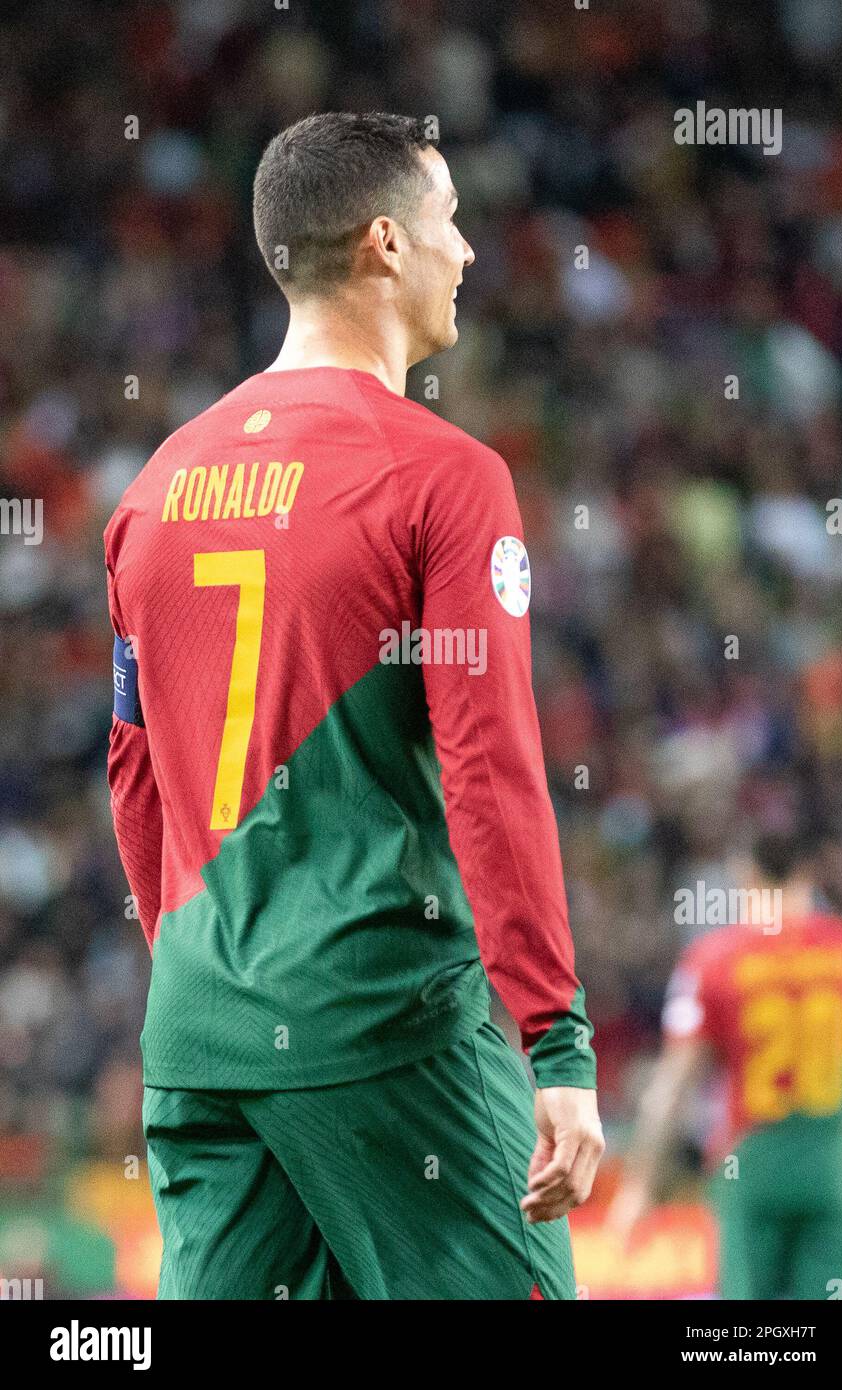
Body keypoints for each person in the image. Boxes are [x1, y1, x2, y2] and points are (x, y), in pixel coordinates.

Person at [105, 112, 603, 1300]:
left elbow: (134, 775)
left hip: (201, 1031)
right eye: (448, 221)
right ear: (385, 243)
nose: (468, 250)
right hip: (383, 1025)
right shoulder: (441, 475)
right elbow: (489, 773)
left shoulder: (153, 488)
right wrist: (556, 1040)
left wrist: (207, 977)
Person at [609, 833, 842, 1299]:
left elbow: (675, 1086)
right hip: (830, 1170)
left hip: (751, 1169)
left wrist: (640, 1186)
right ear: (808, 875)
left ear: (746, 877)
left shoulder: (714, 960)